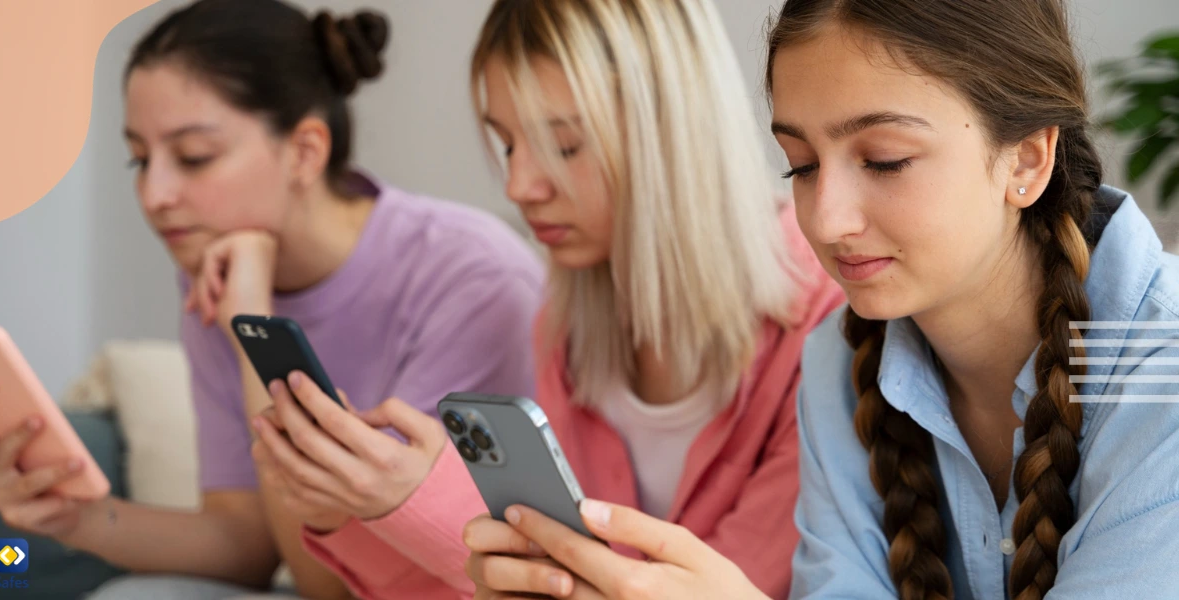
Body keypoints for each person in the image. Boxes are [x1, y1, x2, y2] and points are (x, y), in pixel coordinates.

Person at [452, 0, 1179, 598]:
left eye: (884, 160)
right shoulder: (840, 361)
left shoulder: (1163, 362)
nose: (826, 221)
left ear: (1026, 159)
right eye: (799, 166)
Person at [256, 0, 841, 598]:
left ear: (674, 131)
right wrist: (355, 507)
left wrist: (424, 502)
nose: (518, 187)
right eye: (507, 145)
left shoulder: (828, 324)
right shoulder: (566, 328)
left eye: (562, 146)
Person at [0, 1, 543, 598]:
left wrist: (253, 329)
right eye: (140, 160)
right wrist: (80, 518)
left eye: (194, 157)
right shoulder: (221, 271)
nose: (154, 194)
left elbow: (331, 582)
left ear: (304, 152)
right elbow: (245, 540)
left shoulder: (473, 277)